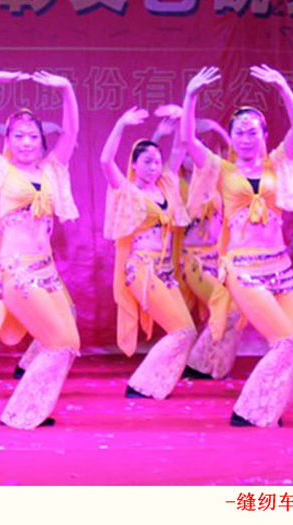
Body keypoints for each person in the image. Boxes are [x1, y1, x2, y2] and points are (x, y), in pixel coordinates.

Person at [181, 65, 293, 427]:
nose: (246, 138)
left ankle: (272, 406)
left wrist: (283, 86)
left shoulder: (277, 164)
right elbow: (189, 140)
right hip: (243, 269)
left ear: (264, 135)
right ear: (232, 138)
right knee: (285, 341)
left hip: (280, 266)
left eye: (253, 131)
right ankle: (248, 411)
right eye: (239, 132)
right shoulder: (222, 170)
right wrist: (191, 96)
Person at [0, 70, 80, 428]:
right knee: (61, 342)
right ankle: (20, 412)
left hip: (48, 273)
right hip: (17, 273)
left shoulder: (52, 170)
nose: (27, 142)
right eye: (19, 135)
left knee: (68, 342)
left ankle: (30, 409)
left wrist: (66, 89)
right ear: (8, 140)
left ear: (42, 142)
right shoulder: (0, 169)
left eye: (33, 136)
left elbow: (71, 132)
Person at [101, 106, 197, 400]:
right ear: (134, 164)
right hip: (141, 269)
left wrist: (181, 118)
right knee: (180, 331)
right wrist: (120, 124)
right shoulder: (127, 190)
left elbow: (180, 147)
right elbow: (105, 161)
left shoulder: (165, 186)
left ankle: (156, 383)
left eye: (157, 161)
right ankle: (140, 384)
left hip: (164, 271)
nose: (154, 167)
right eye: (147, 162)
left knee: (188, 331)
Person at [151, 106, 242, 380]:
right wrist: (160, 135)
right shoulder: (176, 184)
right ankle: (196, 363)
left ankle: (213, 364)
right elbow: (151, 167)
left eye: (198, 152)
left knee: (236, 311)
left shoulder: (218, 182)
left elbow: (235, 158)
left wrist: (217, 128)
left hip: (219, 260)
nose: (193, 157)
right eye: (188, 153)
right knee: (228, 306)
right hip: (194, 262)